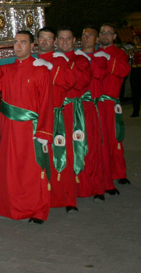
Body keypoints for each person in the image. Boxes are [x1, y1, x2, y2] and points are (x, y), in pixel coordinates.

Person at [0, 31, 53, 224]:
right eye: (15, 42)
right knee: (11, 171)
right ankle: (12, 209)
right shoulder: (6, 68)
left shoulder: (40, 70)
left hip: (30, 130)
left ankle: (38, 210)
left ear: (32, 46)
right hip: (9, 129)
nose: (18, 46)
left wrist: (43, 132)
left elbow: (47, 103)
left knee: (32, 171)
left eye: (23, 42)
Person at [35, 27, 77, 212]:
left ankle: (68, 200)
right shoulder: (31, 60)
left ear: (55, 42)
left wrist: (52, 68)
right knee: (38, 162)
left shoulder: (60, 60)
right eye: (42, 38)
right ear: (36, 41)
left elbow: (70, 80)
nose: (45, 42)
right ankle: (41, 202)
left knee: (61, 159)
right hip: (35, 118)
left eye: (49, 39)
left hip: (55, 117)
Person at [56, 27, 92, 205]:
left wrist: (62, 67)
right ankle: (60, 191)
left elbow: (81, 82)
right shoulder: (51, 58)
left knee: (76, 150)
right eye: (61, 39)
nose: (64, 42)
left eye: (68, 39)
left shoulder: (81, 59)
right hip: (56, 112)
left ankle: (79, 188)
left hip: (73, 111)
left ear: (74, 40)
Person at [96, 24, 132, 190]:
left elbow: (124, 70)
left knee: (115, 139)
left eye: (109, 33)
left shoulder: (119, 54)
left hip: (110, 103)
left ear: (115, 36)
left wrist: (109, 59)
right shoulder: (93, 53)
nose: (105, 36)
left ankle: (119, 173)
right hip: (95, 103)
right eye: (103, 33)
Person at [77, 27, 108, 201]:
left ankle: (97, 187)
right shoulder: (75, 56)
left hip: (94, 108)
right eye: (84, 35)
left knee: (95, 149)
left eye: (90, 35)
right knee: (79, 149)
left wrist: (86, 60)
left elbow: (99, 74)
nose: (86, 38)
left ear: (96, 40)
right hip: (78, 108)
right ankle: (81, 185)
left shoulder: (100, 57)